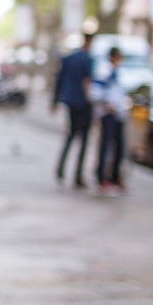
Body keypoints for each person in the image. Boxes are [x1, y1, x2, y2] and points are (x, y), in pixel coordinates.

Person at [51, 32, 94, 188]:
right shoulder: (87, 59)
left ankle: (61, 168)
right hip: (83, 103)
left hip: (70, 102)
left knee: (70, 136)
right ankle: (78, 174)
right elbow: (87, 82)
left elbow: (59, 80)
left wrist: (54, 101)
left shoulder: (69, 58)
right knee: (83, 139)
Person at [94, 47, 128, 195]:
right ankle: (102, 177)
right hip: (109, 114)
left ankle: (115, 176)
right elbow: (96, 92)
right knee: (106, 146)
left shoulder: (118, 73)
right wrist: (106, 105)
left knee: (119, 146)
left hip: (119, 114)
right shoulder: (104, 72)